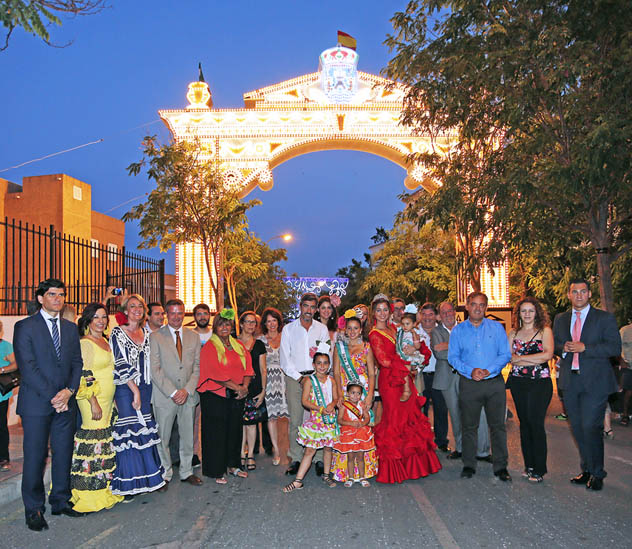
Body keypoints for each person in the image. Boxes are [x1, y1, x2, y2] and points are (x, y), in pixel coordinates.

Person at [14, 279, 84, 531]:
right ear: (41, 298)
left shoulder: (69, 328)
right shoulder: (25, 327)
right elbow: (28, 368)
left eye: (61, 294)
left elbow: (77, 363)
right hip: (37, 405)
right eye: (52, 294)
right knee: (35, 457)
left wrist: (69, 392)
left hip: (66, 403)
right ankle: (34, 509)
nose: (58, 299)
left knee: (64, 453)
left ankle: (61, 501)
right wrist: (55, 396)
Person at [553, 278, 621, 491]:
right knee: (578, 428)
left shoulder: (604, 318)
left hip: (595, 383)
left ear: (589, 294)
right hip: (570, 382)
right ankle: (587, 469)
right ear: (569, 295)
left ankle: (598, 473)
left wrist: (586, 348)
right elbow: (554, 344)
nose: (579, 295)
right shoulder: (561, 319)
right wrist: (561, 347)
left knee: (592, 426)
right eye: (575, 292)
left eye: (583, 291)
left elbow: (614, 348)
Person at [368, 293, 441, 484]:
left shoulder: (396, 328)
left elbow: (413, 346)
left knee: (410, 417)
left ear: (390, 312)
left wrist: (415, 352)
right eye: (379, 310)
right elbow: (383, 361)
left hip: (405, 376)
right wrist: (406, 365)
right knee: (394, 419)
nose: (382, 313)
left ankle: (412, 466)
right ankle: (393, 468)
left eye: (385, 310)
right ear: (374, 313)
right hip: (391, 381)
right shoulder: (374, 334)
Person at [448, 292, 512, 482]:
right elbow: (453, 357)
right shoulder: (458, 331)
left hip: (494, 383)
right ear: (467, 306)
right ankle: (469, 464)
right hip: (469, 383)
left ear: (486, 307)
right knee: (469, 426)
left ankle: (501, 467)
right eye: (474, 304)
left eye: (482, 305)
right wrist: (470, 371)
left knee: (498, 427)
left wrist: (487, 370)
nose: (477, 308)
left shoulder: (497, 328)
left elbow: (505, 354)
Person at [69, 303, 123, 512]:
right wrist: (93, 402)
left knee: (104, 442)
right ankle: (88, 493)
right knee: (93, 441)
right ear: (88, 320)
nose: (101, 321)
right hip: (92, 400)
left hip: (108, 400)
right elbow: (84, 374)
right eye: (96, 317)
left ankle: (103, 487)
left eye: (104, 317)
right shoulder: (85, 343)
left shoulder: (105, 341)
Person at [110, 294, 165, 497]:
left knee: (144, 432)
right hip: (126, 388)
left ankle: (146, 480)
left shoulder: (147, 334)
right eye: (132, 306)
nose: (137, 309)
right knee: (130, 432)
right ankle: (129, 484)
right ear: (125, 310)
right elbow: (119, 362)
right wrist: (134, 391)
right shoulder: (118, 332)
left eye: (140, 306)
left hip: (146, 387)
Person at [150, 298, 202, 490]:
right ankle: (165, 473)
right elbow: (154, 369)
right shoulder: (155, 337)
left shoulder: (193, 336)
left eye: (180, 313)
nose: (176, 317)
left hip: (188, 396)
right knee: (162, 437)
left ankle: (187, 471)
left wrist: (186, 390)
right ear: (166, 314)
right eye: (172, 313)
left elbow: (196, 367)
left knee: (188, 436)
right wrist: (173, 392)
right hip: (165, 396)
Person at [197, 309, 253, 484]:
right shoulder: (210, 347)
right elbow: (214, 373)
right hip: (215, 396)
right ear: (215, 327)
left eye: (227, 324)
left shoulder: (238, 345)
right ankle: (216, 470)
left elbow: (248, 368)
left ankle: (233, 465)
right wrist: (238, 388)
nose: (224, 328)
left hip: (235, 395)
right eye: (221, 324)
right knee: (216, 434)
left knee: (234, 432)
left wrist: (245, 387)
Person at [431, 301, 491, 461]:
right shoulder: (436, 332)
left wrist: (449, 345)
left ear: (454, 311)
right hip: (447, 379)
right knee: (456, 414)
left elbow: (475, 349)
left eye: (450, 311)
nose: (448, 315)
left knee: (480, 413)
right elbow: (440, 355)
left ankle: (483, 451)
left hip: (469, 376)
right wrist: (460, 348)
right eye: (443, 313)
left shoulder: (467, 327)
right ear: (439, 316)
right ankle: (461, 448)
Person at [280, 292, 330, 476]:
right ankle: (296, 457)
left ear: (316, 309)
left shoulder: (321, 330)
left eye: (312, 307)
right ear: (300, 306)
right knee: (296, 418)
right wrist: (301, 378)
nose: (308, 310)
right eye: (305, 306)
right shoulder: (288, 329)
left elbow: (325, 356)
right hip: (295, 378)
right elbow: (285, 359)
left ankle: (317, 459)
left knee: (316, 419)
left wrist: (318, 377)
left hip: (317, 379)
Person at [506, 297, 554, 483]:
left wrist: (521, 359)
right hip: (518, 383)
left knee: (536, 423)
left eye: (530, 311)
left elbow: (547, 355)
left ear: (537, 313)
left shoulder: (545, 331)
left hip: (540, 384)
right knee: (524, 423)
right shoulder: (513, 333)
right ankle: (529, 465)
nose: (527, 314)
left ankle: (540, 468)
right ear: (518, 313)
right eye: (523, 311)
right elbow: (509, 357)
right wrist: (531, 358)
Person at [331, 312, 378, 482]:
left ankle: (364, 472)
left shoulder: (366, 347)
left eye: (355, 328)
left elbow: (372, 373)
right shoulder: (339, 348)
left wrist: (370, 395)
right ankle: (346, 472)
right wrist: (338, 395)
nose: (352, 331)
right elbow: (336, 372)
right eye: (349, 328)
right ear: (345, 330)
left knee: (362, 428)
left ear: (360, 330)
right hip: (345, 391)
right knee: (346, 429)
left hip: (362, 392)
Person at [283, 352, 339, 492]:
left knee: (328, 448)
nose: (322, 366)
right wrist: (320, 408)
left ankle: (326, 475)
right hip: (316, 420)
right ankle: (298, 481)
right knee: (310, 450)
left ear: (329, 365)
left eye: (325, 363)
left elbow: (336, 398)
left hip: (329, 420)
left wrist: (332, 404)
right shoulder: (309, 380)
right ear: (313, 365)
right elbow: (304, 401)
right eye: (318, 363)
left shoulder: (331, 380)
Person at [415, 303, 450, 453]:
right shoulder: (415, 332)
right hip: (421, 376)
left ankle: (441, 441)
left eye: (430, 314)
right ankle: (422, 440)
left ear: (435, 316)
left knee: (441, 409)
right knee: (421, 409)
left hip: (439, 374)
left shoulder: (442, 330)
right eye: (425, 314)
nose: (427, 318)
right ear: (420, 315)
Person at [238, 311, 267, 472]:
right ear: (241, 324)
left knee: (252, 423)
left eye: (253, 323)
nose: (250, 325)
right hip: (237, 388)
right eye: (247, 322)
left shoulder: (259, 344)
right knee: (240, 423)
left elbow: (263, 369)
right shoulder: (233, 342)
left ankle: (250, 456)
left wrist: (263, 391)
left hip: (255, 388)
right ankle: (241, 453)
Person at [259, 307, 288, 465]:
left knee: (288, 415)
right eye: (268, 321)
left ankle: (289, 449)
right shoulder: (261, 340)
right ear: (265, 323)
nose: (271, 324)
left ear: (278, 322)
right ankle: (276, 449)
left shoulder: (286, 337)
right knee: (271, 417)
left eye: (274, 320)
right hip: (269, 380)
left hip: (285, 379)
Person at [334, 382, 375, 488]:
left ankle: (362, 477)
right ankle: (351, 477)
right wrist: (350, 423)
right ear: (347, 393)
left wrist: (363, 423)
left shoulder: (362, 405)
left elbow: (367, 418)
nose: (355, 396)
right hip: (348, 434)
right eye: (353, 393)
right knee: (350, 457)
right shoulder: (344, 405)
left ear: (361, 395)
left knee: (361, 457)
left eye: (358, 393)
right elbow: (339, 420)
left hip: (361, 433)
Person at [191, 302, 212, 468]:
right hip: (195, 384)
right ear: (194, 317)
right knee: (193, 421)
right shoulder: (189, 336)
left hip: (214, 384)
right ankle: (194, 454)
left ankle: (212, 453)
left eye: (205, 313)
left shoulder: (216, 335)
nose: (202, 317)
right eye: (199, 314)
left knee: (212, 421)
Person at [0, 320, 17, 472]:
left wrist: (2, 369)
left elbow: (15, 364)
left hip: (1, 395)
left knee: (1, 426)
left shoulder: (5, 346)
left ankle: (3, 457)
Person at [619, 321, 632, 426]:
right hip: (628, 366)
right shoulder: (625, 330)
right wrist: (621, 360)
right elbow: (615, 346)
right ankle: (625, 415)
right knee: (627, 391)